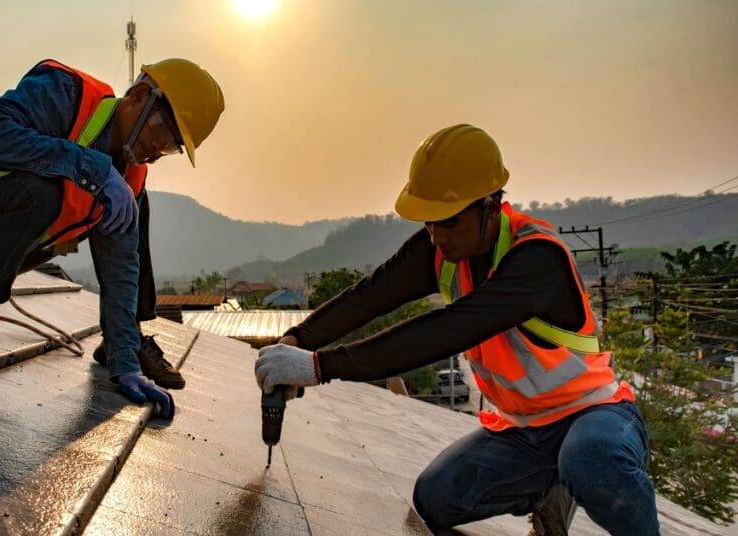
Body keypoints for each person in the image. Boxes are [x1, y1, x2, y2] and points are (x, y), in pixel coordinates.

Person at [254, 124, 657, 535]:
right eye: (429, 222)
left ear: (490, 204)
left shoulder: (536, 258)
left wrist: (319, 367)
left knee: (590, 460)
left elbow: (447, 330)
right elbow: (370, 297)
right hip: (524, 432)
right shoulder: (439, 249)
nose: (436, 235)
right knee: (435, 499)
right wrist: (298, 340)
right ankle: (549, 488)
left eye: (449, 221)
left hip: (593, 415)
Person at [0, 58, 224, 419]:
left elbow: (120, 269)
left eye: (171, 147)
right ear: (138, 96)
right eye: (163, 132)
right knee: (42, 190)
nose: (157, 150)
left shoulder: (130, 176)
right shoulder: (66, 95)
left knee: (127, 207)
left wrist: (124, 362)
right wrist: (87, 167)